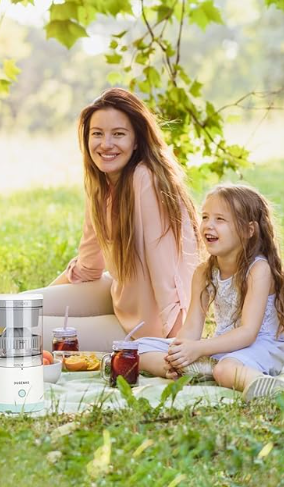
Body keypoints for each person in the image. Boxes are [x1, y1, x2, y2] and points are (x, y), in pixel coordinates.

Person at [36, 88, 200, 351]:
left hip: (145, 329)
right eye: (97, 134)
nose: (105, 144)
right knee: (10, 311)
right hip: (119, 297)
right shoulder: (101, 186)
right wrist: (41, 298)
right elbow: (88, 267)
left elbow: (167, 272)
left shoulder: (145, 180)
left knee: (17, 329)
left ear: (136, 141)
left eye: (118, 134)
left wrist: (178, 341)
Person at [139, 184, 284, 400]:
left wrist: (198, 349)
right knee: (139, 347)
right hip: (223, 344)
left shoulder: (258, 270)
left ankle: (263, 385)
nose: (208, 225)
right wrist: (180, 353)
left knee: (224, 369)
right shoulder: (204, 272)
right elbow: (191, 329)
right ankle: (175, 369)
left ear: (248, 230)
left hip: (262, 346)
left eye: (220, 219)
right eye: (205, 217)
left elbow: (248, 333)